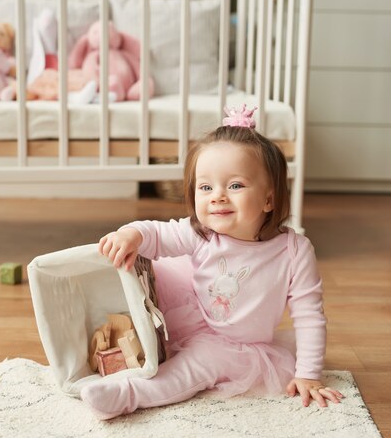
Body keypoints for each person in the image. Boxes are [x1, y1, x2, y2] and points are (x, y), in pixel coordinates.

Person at [81, 104, 344, 420]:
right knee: (140, 269)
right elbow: (158, 233)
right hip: (190, 311)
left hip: (233, 345)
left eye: (235, 185)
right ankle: (96, 335)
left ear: (269, 199)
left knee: (194, 368)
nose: (217, 196)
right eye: (205, 187)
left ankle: (126, 394)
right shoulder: (201, 233)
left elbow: (310, 316)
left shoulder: (294, 250)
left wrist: (309, 373)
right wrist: (131, 233)